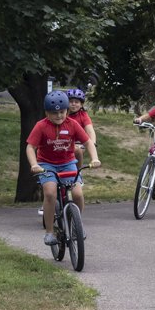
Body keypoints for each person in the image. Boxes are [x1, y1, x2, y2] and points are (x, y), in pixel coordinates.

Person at [26, 90, 102, 246]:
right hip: (47, 164)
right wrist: (34, 164)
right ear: (47, 112)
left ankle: (76, 225)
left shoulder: (72, 124)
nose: (59, 116)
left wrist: (94, 158)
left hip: (68, 163)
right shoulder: (41, 126)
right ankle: (49, 232)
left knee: (78, 194)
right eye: (54, 113)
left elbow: (87, 142)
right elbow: (30, 147)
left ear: (67, 111)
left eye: (62, 112)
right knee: (50, 194)